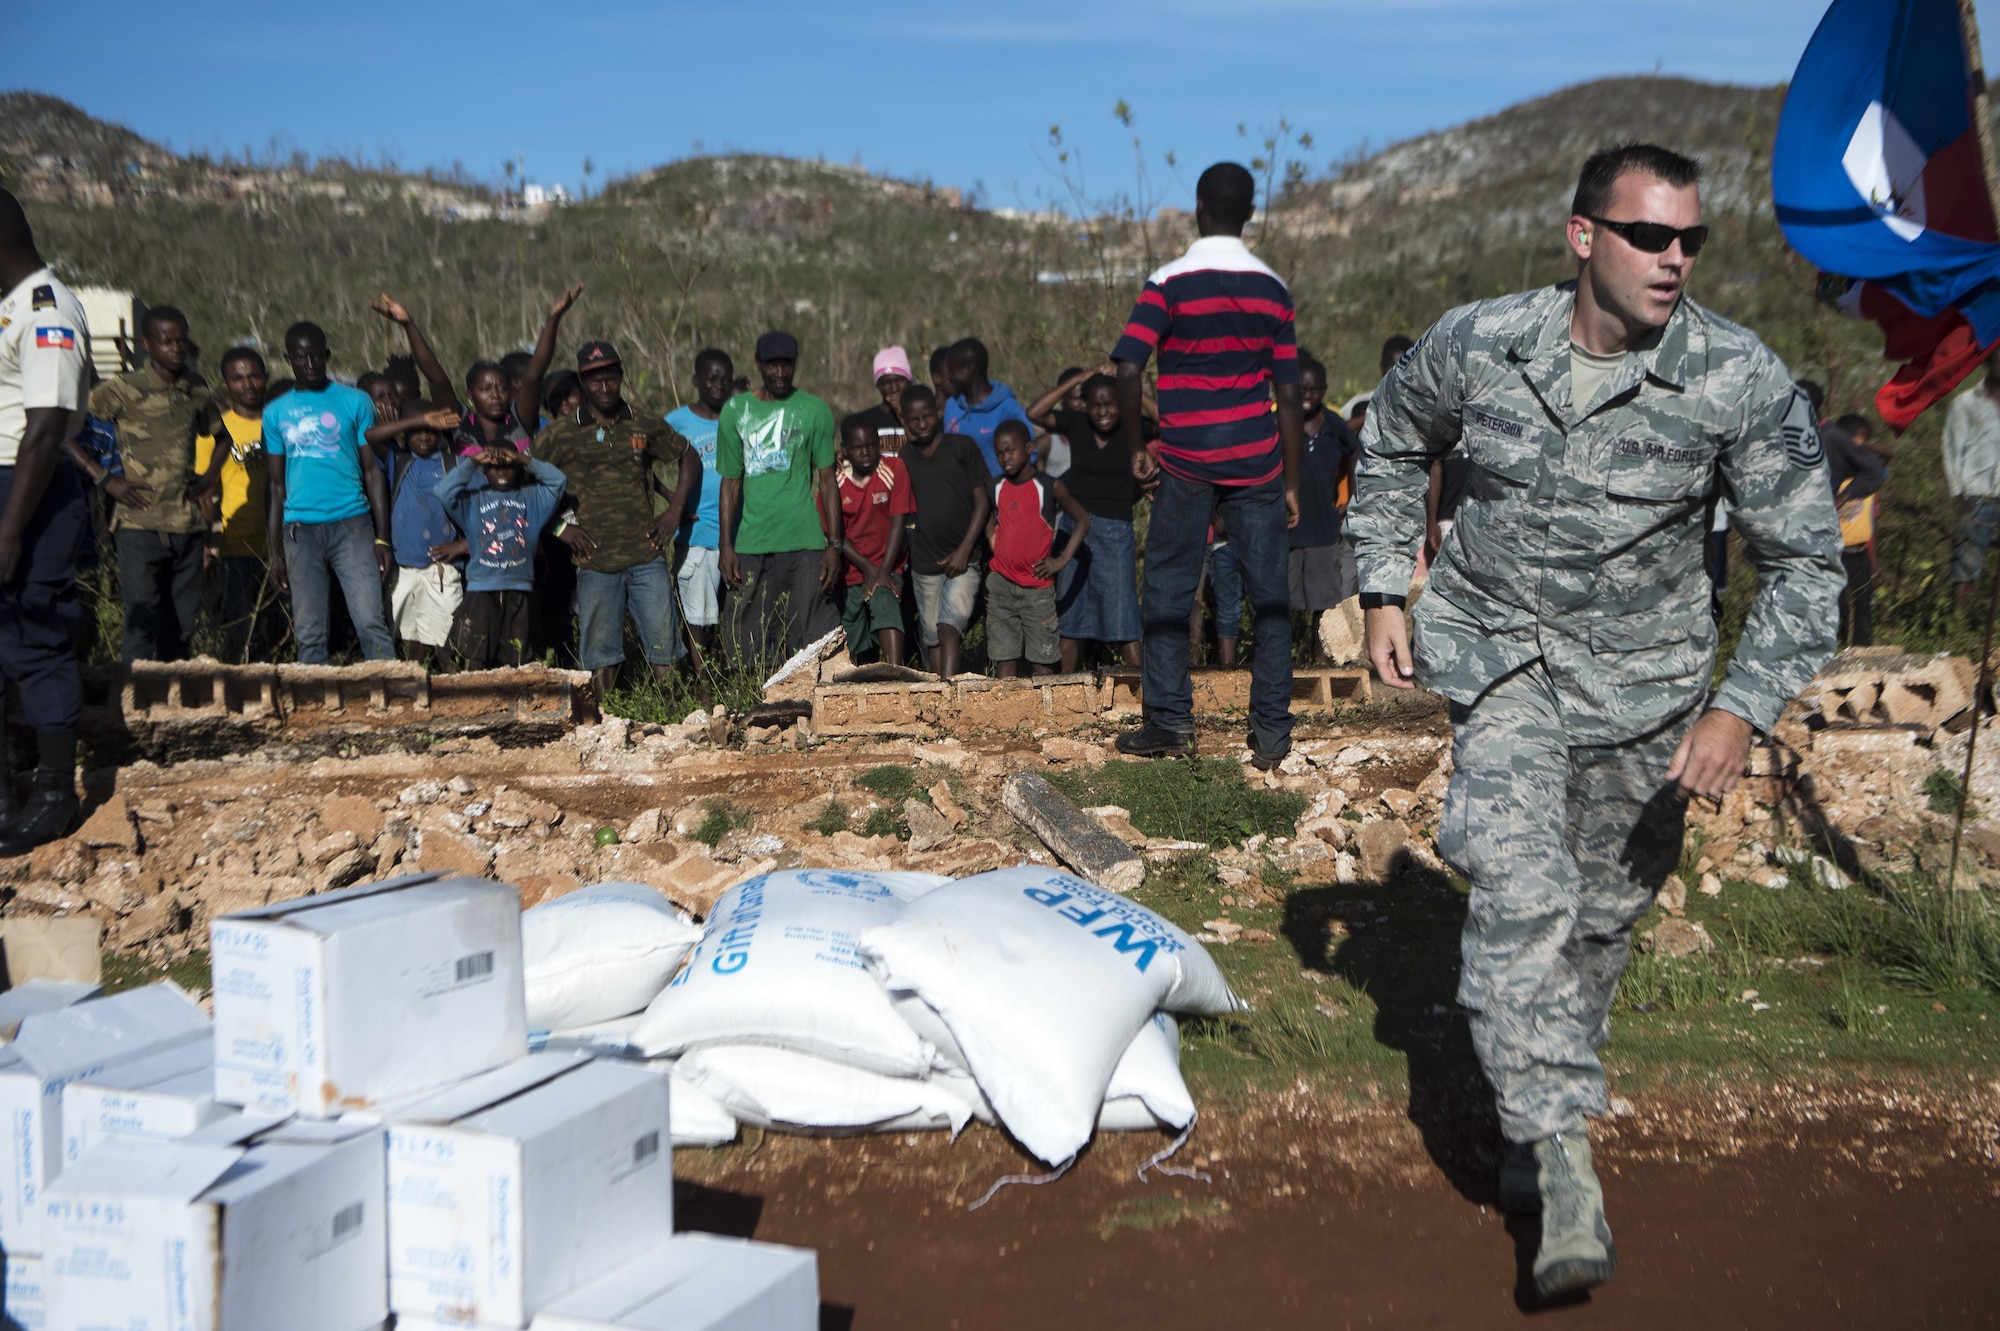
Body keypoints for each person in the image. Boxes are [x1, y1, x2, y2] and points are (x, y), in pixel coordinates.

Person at [1351, 143, 1843, 1299]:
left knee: (1594, 925)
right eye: (1647, 237)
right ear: (1583, 238)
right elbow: (1386, 438)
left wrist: (1737, 706)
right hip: (1502, 663)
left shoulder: (1733, 377)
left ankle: (1529, 1114)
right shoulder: (1480, 341)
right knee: (1519, 894)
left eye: (1688, 241)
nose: (1672, 260)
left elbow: (1806, 564)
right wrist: (1382, 582)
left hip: (1646, 692)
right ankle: (1564, 1157)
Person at [1112, 161, 1304, 764]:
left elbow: (1125, 366)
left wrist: (1137, 450)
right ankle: (1271, 734)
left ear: (1198, 208)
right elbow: (1291, 395)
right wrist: (1293, 481)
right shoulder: (1273, 290)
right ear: (1250, 214)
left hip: (1187, 463)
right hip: (1258, 465)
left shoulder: (1168, 281)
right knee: (1270, 596)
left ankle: (1170, 723)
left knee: (1169, 590)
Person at [529, 321, 694, 699]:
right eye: (594, 380)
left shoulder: (643, 421)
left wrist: (673, 512)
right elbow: (528, 481)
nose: (603, 387)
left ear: (620, 376)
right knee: (601, 657)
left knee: (664, 649)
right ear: (583, 384)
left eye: (610, 378)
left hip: (646, 554)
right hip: (594, 560)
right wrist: (559, 528)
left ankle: (677, 721)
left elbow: (688, 457)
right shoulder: (560, 434)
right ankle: (603, 723)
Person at [0, 187, 91, 852]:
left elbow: (45, 427)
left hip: (29, 490)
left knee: (35, 633)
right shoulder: (9, 311)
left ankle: (58, 794)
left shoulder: (46, 307)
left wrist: (8, 530)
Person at [86, 306, 231, 662]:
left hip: (186, 524)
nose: (176, 348)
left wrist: (209, 478)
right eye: (166, 342)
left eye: (181, 340)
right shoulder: (123, 388)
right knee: (140, 623)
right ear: (147, 344)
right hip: (139, 524)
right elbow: (65, 427)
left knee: (180, 627)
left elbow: (223, 438)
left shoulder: (196, 388)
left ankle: (174, 709)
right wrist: (104, 479)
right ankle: (133, 705)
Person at [263, 321, 397, 664]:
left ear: (327, 355)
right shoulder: (276, 412)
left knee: (370, 622)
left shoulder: (355, 401)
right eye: (300, 357)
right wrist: (275, 551)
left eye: (316, 356)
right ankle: (316, 708)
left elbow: (373, 472)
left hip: (352, 525)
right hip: (300, 532)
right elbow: (276, 486)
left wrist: (382, 538)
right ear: (288, 359)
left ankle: (394, 698)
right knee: (310, 633)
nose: (309, 364)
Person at [716, 331, 840, 665]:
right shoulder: (735, 411)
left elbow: (828, 481)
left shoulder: (815, 411)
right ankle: (759, 708)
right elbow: (730, 482)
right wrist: (725, 545)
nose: (780, 373)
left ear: (795, 365)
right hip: (752, 543)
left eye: (786, 365)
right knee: (749, 639)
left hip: (804, 542)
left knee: (811, 641)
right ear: (758, 365)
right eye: (772, 365)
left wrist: (833, 545)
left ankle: (810, 706)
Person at [1027, 368, 1140, 670]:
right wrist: (1079, 379)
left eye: (1111, 404)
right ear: (1086, 405)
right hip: (1074, 528)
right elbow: (1035, 412)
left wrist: (1129, 386)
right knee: (1071, 615)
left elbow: (1165, 418)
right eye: (1096, 405)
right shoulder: (1077, 424)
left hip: (1115, 529)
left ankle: (1142, 695)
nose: (1103, 411)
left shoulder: (1132, 427)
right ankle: (1067, 692)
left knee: (1122, 615)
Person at [435, 442, 567, 669]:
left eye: (508, 466)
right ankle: (472, 701)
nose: (502, 471)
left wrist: (520, 458)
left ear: (518, 469)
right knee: (472, 654)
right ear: (485, 472)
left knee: (517, 658)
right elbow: (443, 491)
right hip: (481, 590)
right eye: (494, 467)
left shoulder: (533, 500)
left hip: (520, 589)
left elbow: (558, 480)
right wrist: (475, 461)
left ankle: (512, 701)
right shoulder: (472, 501)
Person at [897, 383, 989, 678]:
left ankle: (950, 694)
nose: (922, 423)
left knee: (950, 627)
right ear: (904, 421)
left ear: (937, 413)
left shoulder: (961, 448)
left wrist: (964, 551)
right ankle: (936, 696)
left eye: (927, 415)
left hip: (964, 560)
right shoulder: (905, 458)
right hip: (925, 563)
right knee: (932, 636)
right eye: (914, 419)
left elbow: (983, 501)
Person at [194, 347, 278, 662]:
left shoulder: (281, 422)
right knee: (241, 638)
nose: (248, 384)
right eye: (238, 378)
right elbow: (206, 494)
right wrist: (209, 548)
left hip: (283, 550)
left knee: (277, 635)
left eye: (255, 376)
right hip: (235, 550)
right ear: (225, 383)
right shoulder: (214, 432)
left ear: (265, 377)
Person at [368, 399, 467, 664]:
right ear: (405, 434)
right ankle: (416, 698)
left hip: (441, 571)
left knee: (447, 641)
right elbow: (370, 435)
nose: (424, 435)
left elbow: (486, 509)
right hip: (402, 569)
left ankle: (453, 698)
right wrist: (422, 420)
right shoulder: (398, 461)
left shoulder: (455, 465)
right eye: (417, 430)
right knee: (410, 643)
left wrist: (464, 545)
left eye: (431, 430)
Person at [986, 420, 1088, 676]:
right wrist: (993, 541)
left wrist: (1060, 561)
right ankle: (1006, 711)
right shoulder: (996, 486)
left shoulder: (1048, 486)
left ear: (1029, 447)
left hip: (1038, 590)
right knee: (1004, 659)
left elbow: (1082, 520)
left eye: (1011, 450)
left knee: (1043, 661)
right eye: (1000, 452)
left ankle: (1045, 715)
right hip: (1001, 586)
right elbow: (987, 517)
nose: (1005, 457)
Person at [666, 349, 733, 674]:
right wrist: (671, 500)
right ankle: (706, 692)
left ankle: (732, 685)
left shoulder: (738, 417)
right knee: (698, 621)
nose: (718, 385)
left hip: (738, 536)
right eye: (711, 377)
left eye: (725, 378)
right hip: (697, 536)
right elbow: (638, 459)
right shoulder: (677, 421)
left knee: (731, 620)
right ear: (696, 380)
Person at [1290, 354, 1362, 654]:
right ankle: (1287, 662)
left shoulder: (1333, 425)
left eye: (1314, 389)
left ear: (1324, 389)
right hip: (1288, 529)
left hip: (1322, 527)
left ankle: (1319, 661)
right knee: (1285, 601)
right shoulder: (1281, 421)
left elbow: (1354, 450)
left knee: (1324, 603)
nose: (1307, 395)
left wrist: (1352, 495)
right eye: (1301, 388)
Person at [834, 414, 914, 665]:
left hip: (887, 564)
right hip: (851, 568)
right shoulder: (836, 481)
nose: (866, 453)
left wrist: (882, 572)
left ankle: (895, 670)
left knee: (885, 602)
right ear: (845, 449)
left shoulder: (894, 469)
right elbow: (835, 534)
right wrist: (868, 569)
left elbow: (898, 522)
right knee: (852, 625)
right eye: (858, 448)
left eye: (871, 445)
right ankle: (857, 679)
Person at [1824, 409, 1886, 647]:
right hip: (1835, 552)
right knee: (1836, 608)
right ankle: (1835, 650)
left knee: (1862, 608)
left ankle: (1862, 652)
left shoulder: (1868, 475)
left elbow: (1887, 456)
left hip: (1860, 553)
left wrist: (1861, 447)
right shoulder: (1833, 475)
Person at [1943, 369, 2000, 613]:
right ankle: (1959, 627)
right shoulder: (1965, 402)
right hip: (1976, 493)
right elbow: (1951, 448)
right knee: (1967, 564)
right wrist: (1958, 493)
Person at [943, 337, 1033, 477]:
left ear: (969, 369)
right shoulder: (951, 405)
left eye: (952, 370)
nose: (948, 377)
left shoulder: (1008, 408)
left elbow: (1030, 454)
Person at [853, 346, 912, 453]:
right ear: (878, 386)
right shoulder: (866, 421)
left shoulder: (922, 418)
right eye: (886, 383)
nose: (894, 389)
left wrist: (903, 415)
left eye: (899, 381)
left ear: (909, 382)